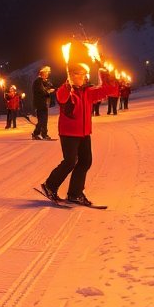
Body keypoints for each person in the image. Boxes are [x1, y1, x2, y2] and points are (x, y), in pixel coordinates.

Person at [39, 62, 109, 207]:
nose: (83, 77)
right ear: (72, 75)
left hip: (84, 132)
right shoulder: (65, 90)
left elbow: (104, 91)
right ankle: (50, 185)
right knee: (70, 161)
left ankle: (75, 194)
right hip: (69, 132)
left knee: (85, 161)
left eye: (84, 74)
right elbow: (61, 98)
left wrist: (106, 76)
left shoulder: (87, 91)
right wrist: (67, 85)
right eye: (80, 74)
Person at [31, 66, 54, 140]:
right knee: (42, 120)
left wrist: (49, 88)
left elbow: (47, 88)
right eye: (46, 73)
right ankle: (36, 133)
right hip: (40, 103)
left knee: (44, 120)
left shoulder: (43, 81)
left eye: (48, 73)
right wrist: (48, 91)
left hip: (44, 103)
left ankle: (44, 134)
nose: (47, 74)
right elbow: (42, 92)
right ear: (42, 73)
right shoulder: (38, 81)